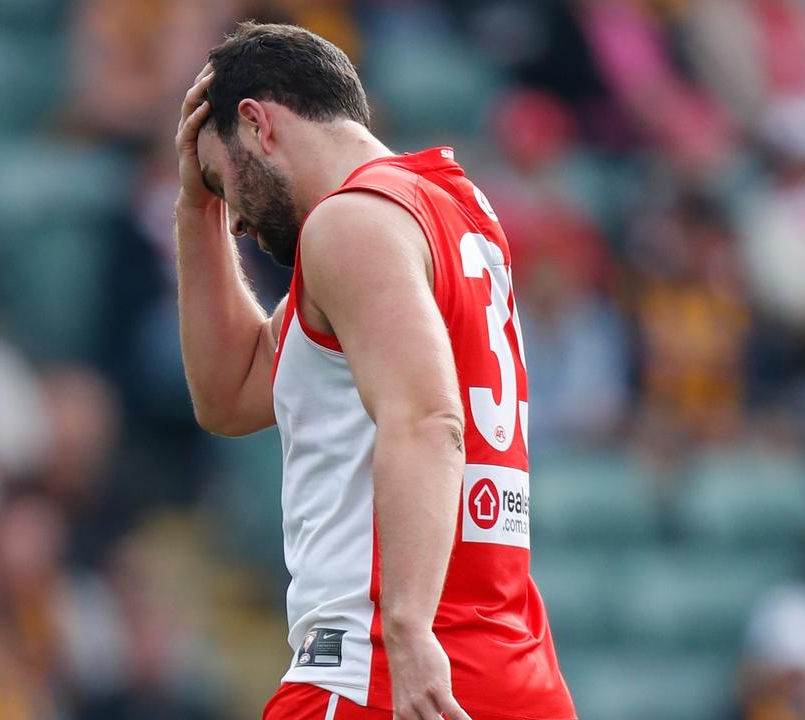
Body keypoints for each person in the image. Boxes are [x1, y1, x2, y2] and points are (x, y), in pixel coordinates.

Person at [172, 21, 575, 720]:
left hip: (380, 676)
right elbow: (229, 395)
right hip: (512, 668)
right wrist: (194, 209)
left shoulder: (348, 227)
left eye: (221, 180)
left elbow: (427, 419)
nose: (233, 220)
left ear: (258, 125)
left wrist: (408, 629)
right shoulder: (455, 209)